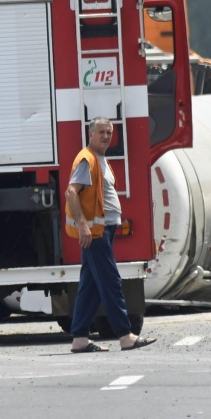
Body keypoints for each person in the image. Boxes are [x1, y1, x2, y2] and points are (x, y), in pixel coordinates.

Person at [64, 117, 156, 353]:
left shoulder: (100, 160)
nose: (106, 136)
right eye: (101, 132)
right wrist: (83, 225)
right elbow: (71, 192)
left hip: (103, 230)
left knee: (91, 284)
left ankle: (80, 338)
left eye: (109, 132)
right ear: (90, 134)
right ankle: (125, 336)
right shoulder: (87, 159)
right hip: (95, 233)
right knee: (110, 281)